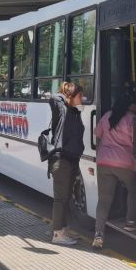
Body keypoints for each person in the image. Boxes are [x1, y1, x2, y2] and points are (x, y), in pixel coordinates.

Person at [92, 94, 136, 249]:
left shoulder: (106, 116)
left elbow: (97, 134)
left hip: (103, 162)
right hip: (124, 162)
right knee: (133, 190)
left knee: (104, 199)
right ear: (129, 105)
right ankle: (130, 222)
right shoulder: (132, 119)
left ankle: (98, 234)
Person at [47, 82, 85, 246]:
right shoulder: (61, 108)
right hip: (61, 160)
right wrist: (66, 95)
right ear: (70, 96)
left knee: (67, 197)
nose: (82, 98)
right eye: (79, 95)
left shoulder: (74, 112)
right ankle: (57, 234)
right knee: (60, 198)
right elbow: (54, 98)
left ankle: (63, 228)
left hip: (71, 160)